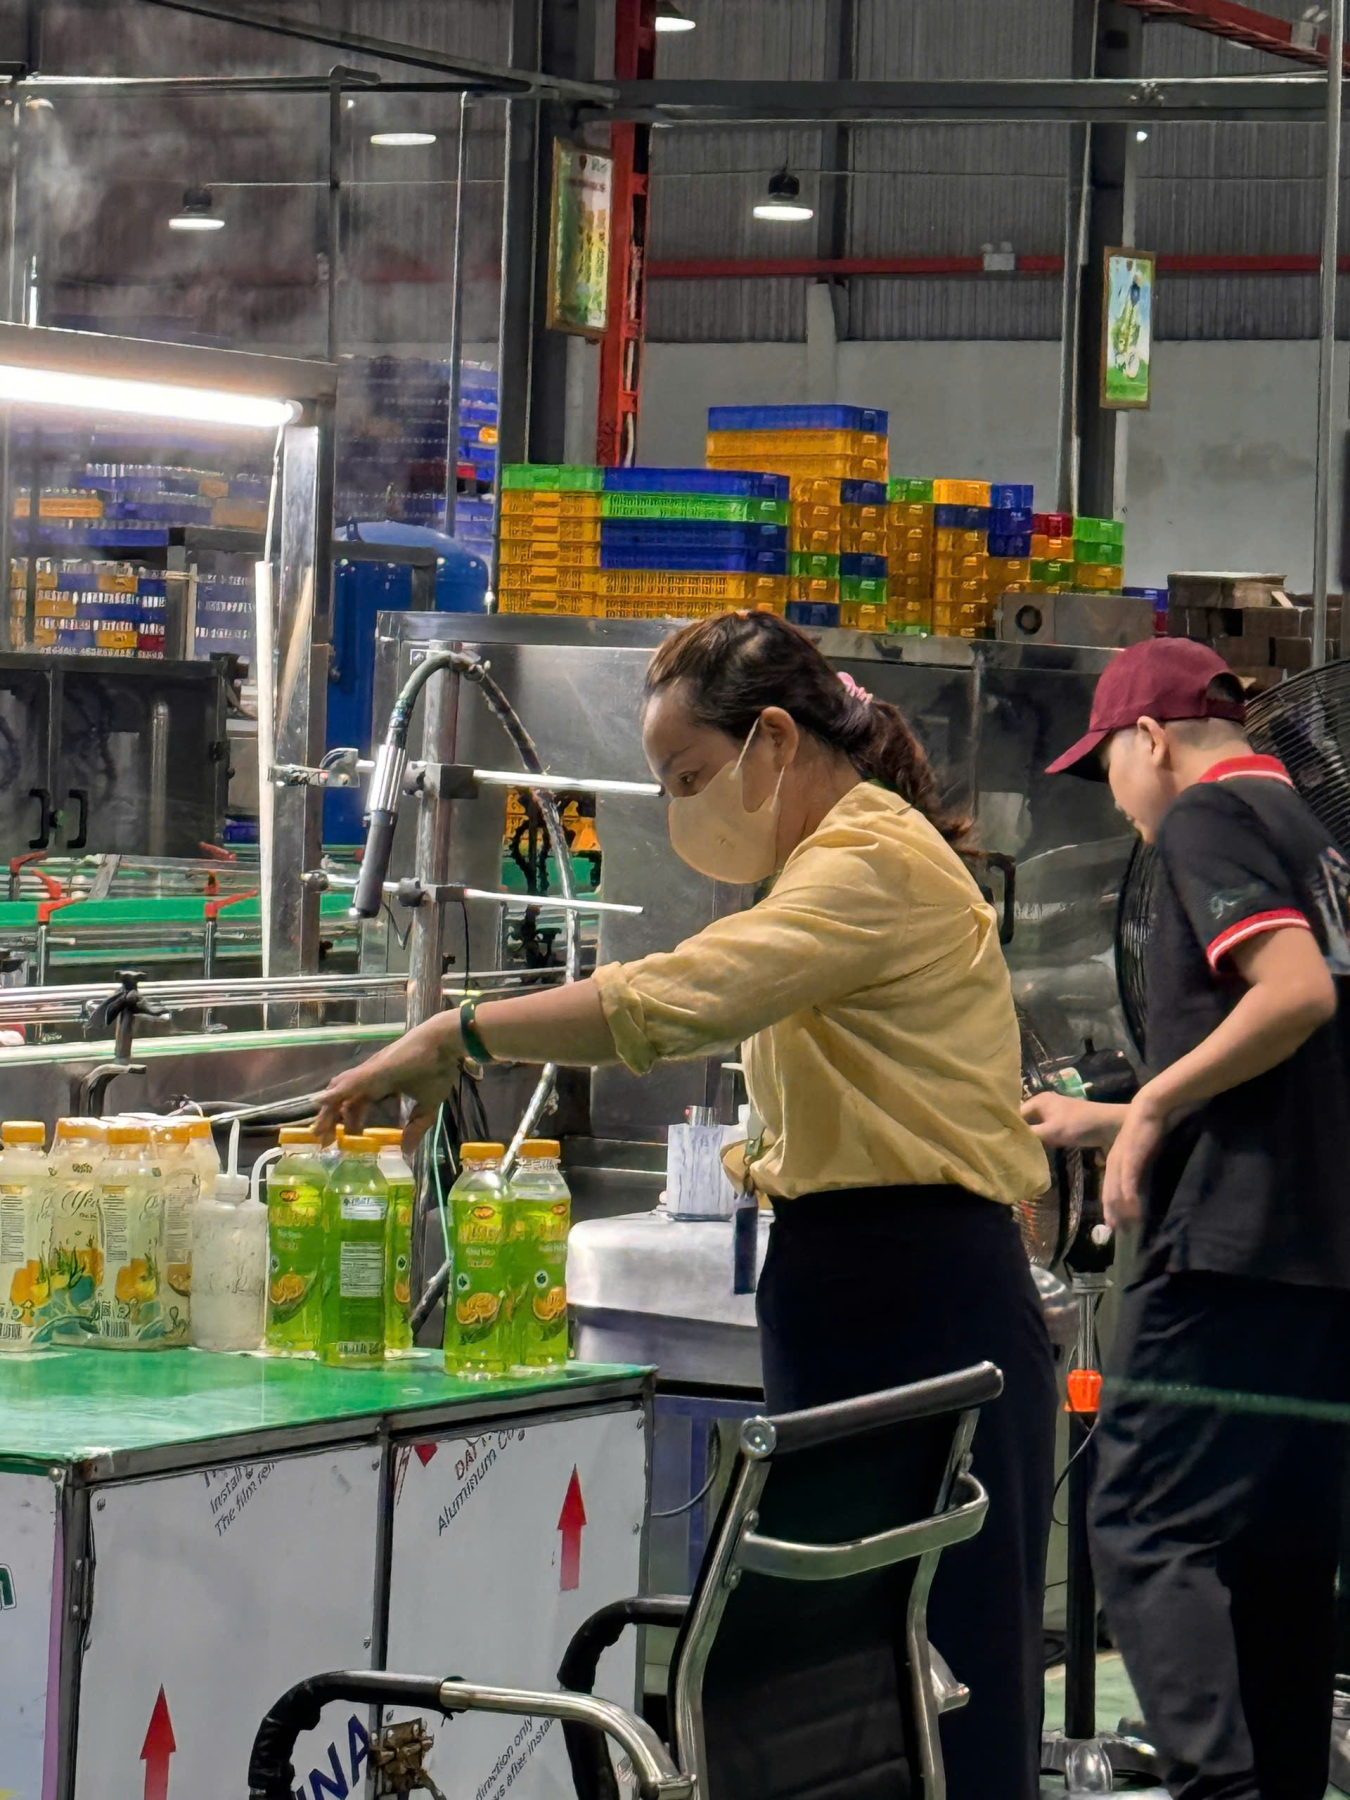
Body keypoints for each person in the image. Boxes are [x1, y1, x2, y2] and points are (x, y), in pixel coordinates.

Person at [317, 610, 1056, 1799]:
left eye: (692, 777)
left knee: (937, 1674)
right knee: (840, 1690)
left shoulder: (872, 859)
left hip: (920, 1297)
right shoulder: (819, 867)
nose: (682, 809)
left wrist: (458, 1033)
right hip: (849, 1288)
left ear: (776, 741)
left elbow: (674, 1000)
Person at [1025, 636, 1350, 1800]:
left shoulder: (1208, 820)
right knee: (1277, 1559)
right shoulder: (1315, 838)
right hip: (1320, 1266)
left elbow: (1292, 995)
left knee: (1142, 1526)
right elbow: (1289, 1077)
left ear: (1152, 739)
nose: (1114, 798)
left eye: (1106, 765)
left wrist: (1155, 1104)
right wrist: (1113, 1117)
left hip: (1229, 1257)